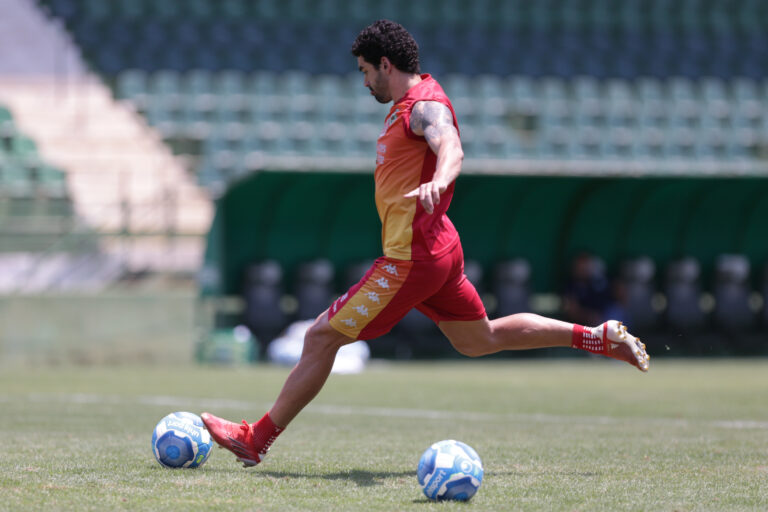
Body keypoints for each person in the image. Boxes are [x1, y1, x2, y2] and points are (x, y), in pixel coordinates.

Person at [201, 19, 649, 468]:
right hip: (437, 248)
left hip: (410, 259)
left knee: (320, 337)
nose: (363, 80)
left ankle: (254, 439)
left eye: (364, 70)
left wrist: (440, 178)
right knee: (479, 339)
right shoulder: (409, 104)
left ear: (385, 63)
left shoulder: (423, 105)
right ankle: (596, 338)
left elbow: (450, 144)